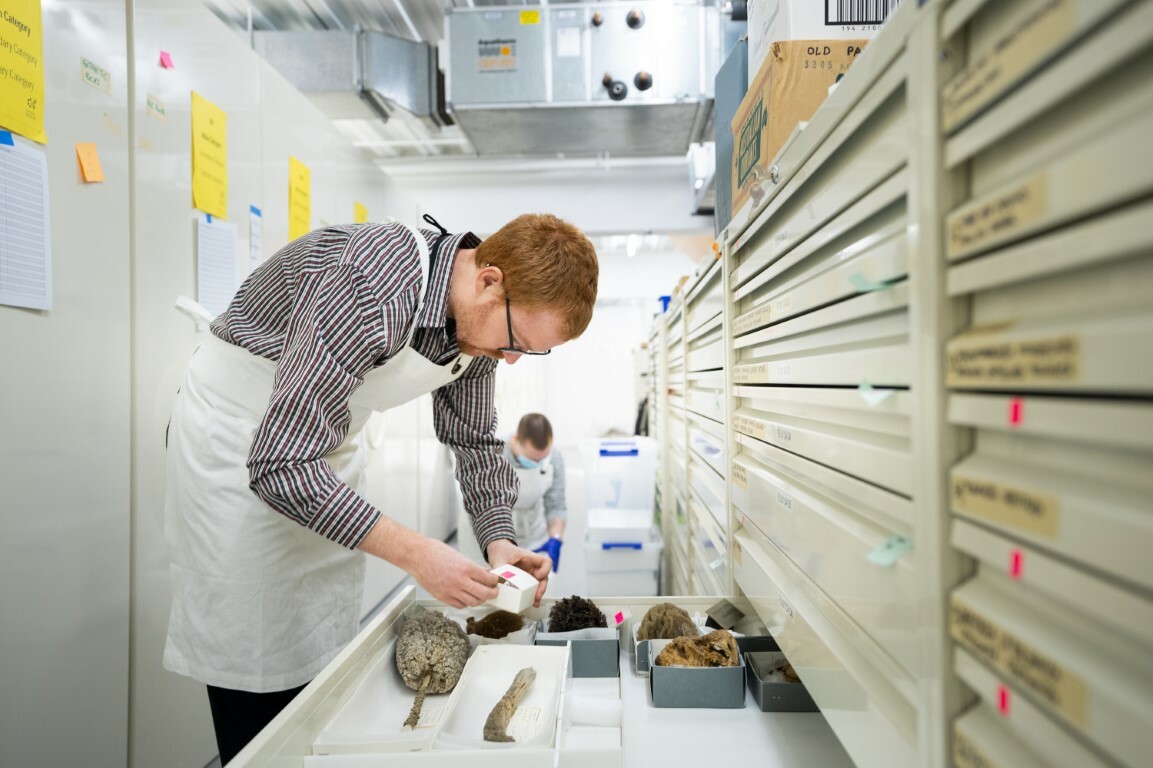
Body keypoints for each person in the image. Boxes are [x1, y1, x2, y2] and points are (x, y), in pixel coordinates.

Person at [162, 213, 598, 763]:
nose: (511, 358)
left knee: (317, 645)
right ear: (490, 279)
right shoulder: (371, 282)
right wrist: (419, 555)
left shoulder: (480, 325)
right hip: (239, 442)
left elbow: (475, 441)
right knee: (252, 656)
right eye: (516, 341)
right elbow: (278, 462)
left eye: (531, 351)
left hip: (322, 442)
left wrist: (499, 541)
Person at [460, 413, 567, 571]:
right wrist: (500, 548)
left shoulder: (555, 458)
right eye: (532, 460)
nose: (538, 463)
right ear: (515, 441)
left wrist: (555, 539)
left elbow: (556, 503)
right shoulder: (492, 453)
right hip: (486, 536)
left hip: (531, 535)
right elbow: (479, 502)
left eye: (541, 459)